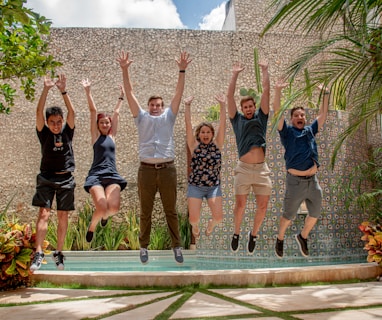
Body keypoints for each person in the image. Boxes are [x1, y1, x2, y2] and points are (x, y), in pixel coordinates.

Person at [117, 50, 192, 264]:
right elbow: (130, 94)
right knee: (145, 211)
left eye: (159, 105)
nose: (156, 108)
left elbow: (178, 93)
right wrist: (124, 70)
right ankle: (143, 247)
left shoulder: (169, 116)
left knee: (171, 211)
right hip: (146, 171)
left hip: (168, 169)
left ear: (162, 106)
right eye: (153, 105)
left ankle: (176, 246)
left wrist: (182, 70)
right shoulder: (141, 118)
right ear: (148, 107)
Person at [273, 81, 330, 258]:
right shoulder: (287, 133)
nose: (300, 117)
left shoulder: (310, 131)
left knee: (315, 212)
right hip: (295, 181)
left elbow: (323, 114)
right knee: (288, 216)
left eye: (302, 115)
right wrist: (277, 91)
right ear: (292, 119)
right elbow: (276, 113)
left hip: (312, 182)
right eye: (296, 115)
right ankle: (280, 238)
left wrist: (326, 94)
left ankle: (302, 236)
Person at [30, 75, 76, 271]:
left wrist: (63, 91)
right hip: (47, 177)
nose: (56, 125)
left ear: (62, 121)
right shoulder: (44, 133)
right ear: (48, 122)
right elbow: (39, 111)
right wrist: (46, 89)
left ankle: (58, 252)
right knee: (43, 213)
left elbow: (73, 111)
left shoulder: (67, 132)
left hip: (66, 177)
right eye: (53, 122)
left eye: (59, 121)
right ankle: (39, 252)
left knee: (63, 215)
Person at [227, 61, 271, 255]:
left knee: (262, 206)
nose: (248, 109)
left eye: (251, 106)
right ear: (242, 109)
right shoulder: (236, 120)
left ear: (254, 106)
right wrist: (235, 74)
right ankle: (236, 233)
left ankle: (253, 235)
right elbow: (229, 97)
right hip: (244, 169)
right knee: (240, 205)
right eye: (245, 107)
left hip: (261, 170)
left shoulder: (261, 118)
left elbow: (267, 94)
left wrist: (264, 70)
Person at [81, 79, 127, 243]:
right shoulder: (95, 137)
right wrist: (88, 91)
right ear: (98, 125)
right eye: (102, 122)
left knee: (113, 208)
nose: (105, 124)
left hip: (112, 175)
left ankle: (105, 217)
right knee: (101, 207)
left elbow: (116, 113)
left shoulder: (112, 137)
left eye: (107, 122)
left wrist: (121, 98)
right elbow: (93, 111)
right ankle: (92, 227)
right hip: (96, 176)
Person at [184, 93, 227, 240]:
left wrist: (223, 105)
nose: (205, 134)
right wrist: (187, 106)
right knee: (193, 220)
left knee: (219, 218)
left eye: (208, 132)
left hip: (213, 186)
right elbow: (188, 125)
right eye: (203, 132)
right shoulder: (193, 145)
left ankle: (211, 224)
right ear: (199, 135)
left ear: (212, 134)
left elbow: (222, 125)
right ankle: (196, 227)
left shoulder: (217, 144)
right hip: (195, 186)